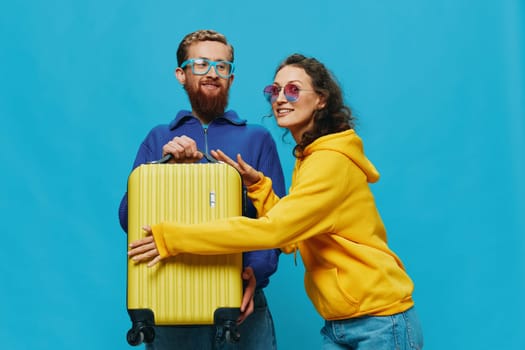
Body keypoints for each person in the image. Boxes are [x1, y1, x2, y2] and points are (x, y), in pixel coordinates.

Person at [128, 53, 425, 349]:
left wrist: (173, 237)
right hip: (342, 323)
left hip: (380, 322)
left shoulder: (330, 162)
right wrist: (259, 186)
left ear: (321, 99)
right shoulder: (310, 158)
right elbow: (291, 240)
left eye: (293, 89)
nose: (281, 98)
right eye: (275, 90)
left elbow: (274, 232)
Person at [119, 29, 286, 350]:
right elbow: (129, 220)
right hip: (171, 296)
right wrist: (165, 168)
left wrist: (255, 272)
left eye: (222, 66)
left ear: (231, 79)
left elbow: (278, 220)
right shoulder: (158, 138)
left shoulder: (257, 138)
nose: (212, 73)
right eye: (201, 64)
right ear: (181, 75)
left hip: (239, 298)